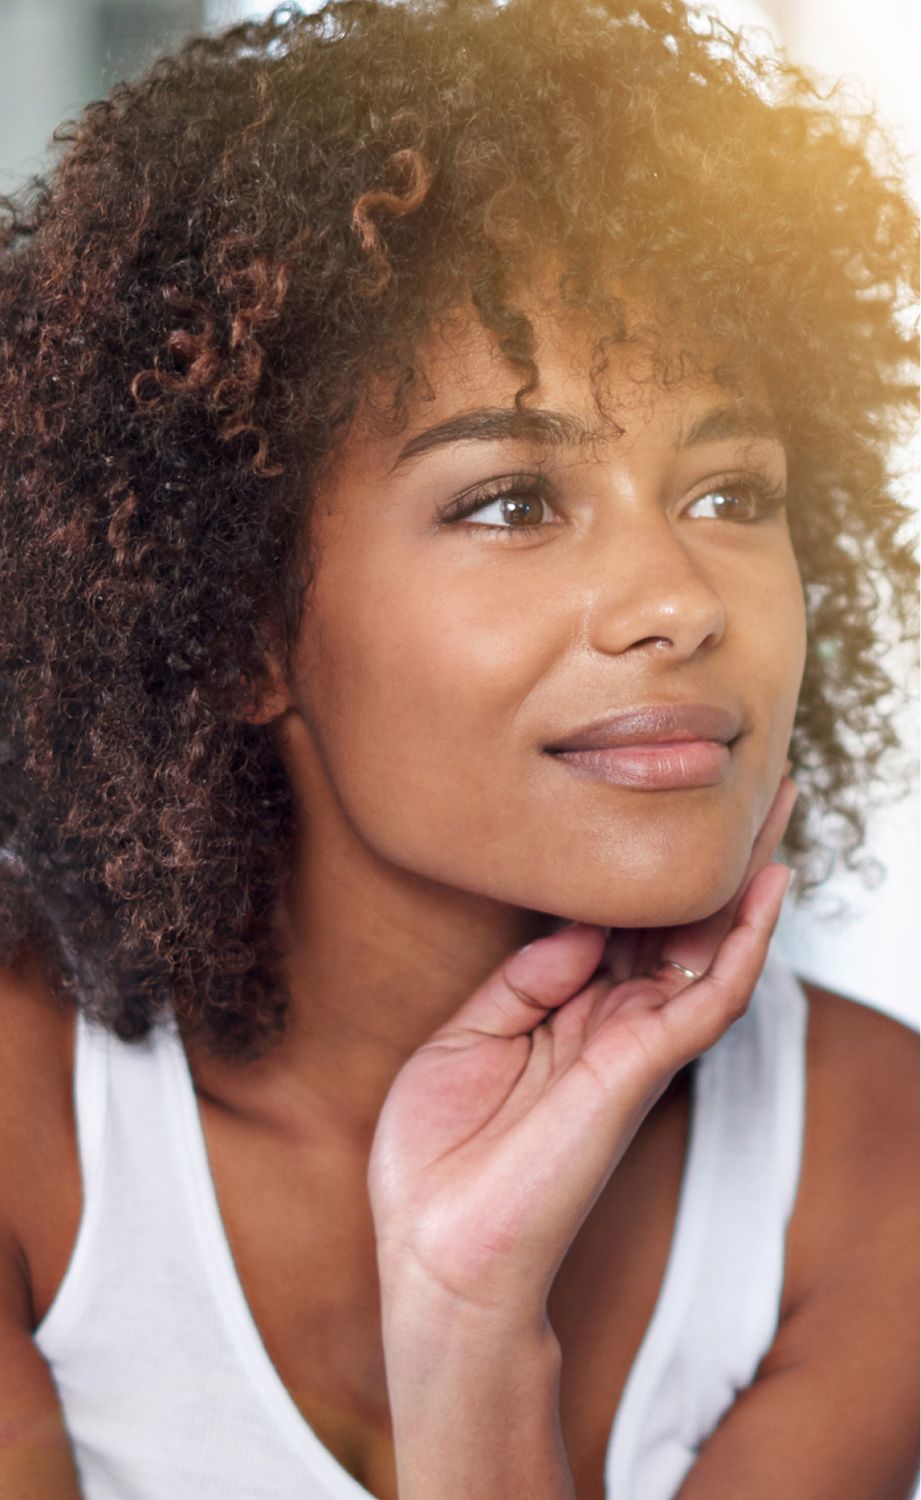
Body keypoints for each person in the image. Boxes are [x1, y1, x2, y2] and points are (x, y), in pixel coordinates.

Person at [0, 0, 917, 1495]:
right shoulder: (26, 1093)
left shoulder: (875, 1157)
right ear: (235, 621)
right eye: (508, 502)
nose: (679, 604)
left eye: (731, 494)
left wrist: (471, 1324)